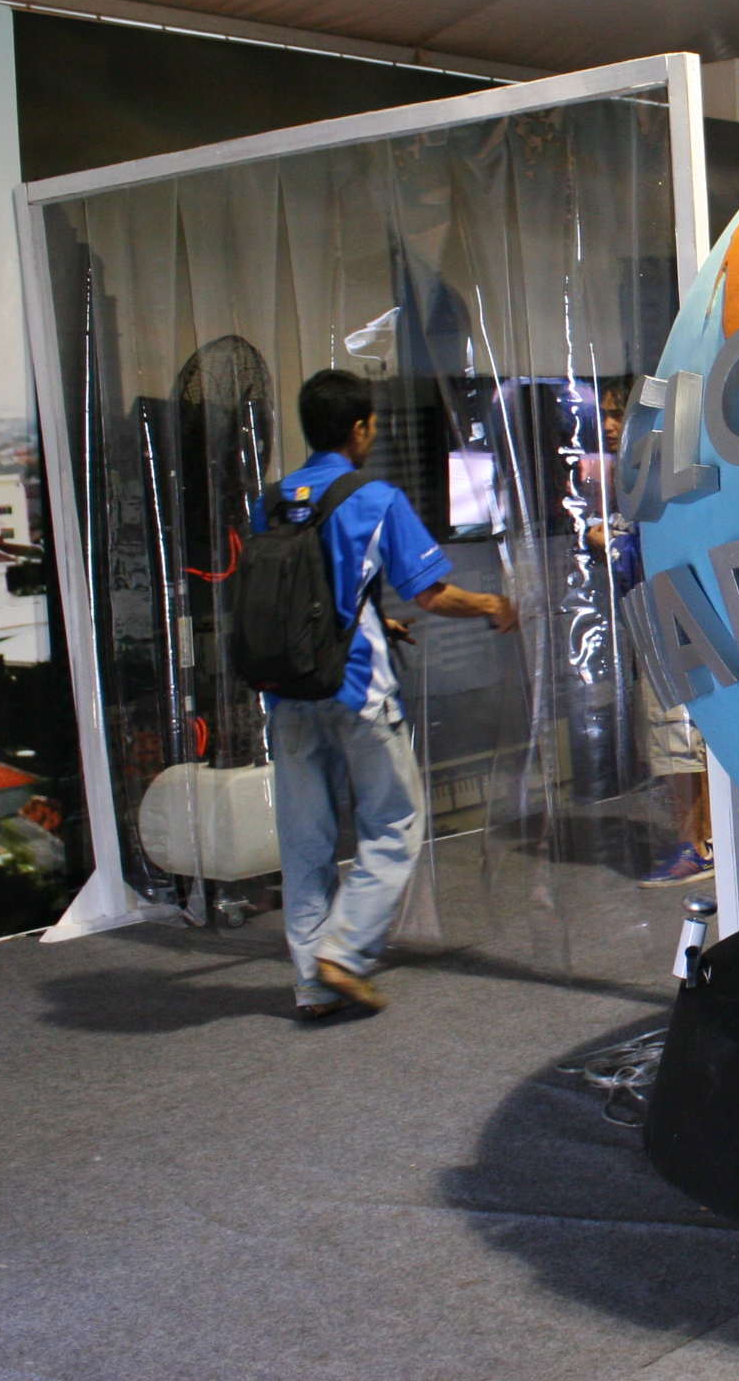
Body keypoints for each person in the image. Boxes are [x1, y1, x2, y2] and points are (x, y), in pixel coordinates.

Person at [260, 370, 517, 1020]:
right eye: (372, 424)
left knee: (305, 844)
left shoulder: (273, 502)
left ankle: (311, 983)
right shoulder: (374, 498)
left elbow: (303, 597)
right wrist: (492, 604)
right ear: (358, 429)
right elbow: (432, 593)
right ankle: (345, 953)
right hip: (358, 693)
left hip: (287, 694)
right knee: (396, 824)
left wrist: (376, 618)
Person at [585, 377, 712, 887]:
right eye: (605, 415)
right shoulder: (633, 475)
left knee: (676, 736)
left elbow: (660, 549)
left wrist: (610, 546)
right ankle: (699, 841)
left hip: (670, 619)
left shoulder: (658, 474)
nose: (609, 425)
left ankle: (697, 846)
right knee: (674, 738)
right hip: (657, 618)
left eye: (618, 413)